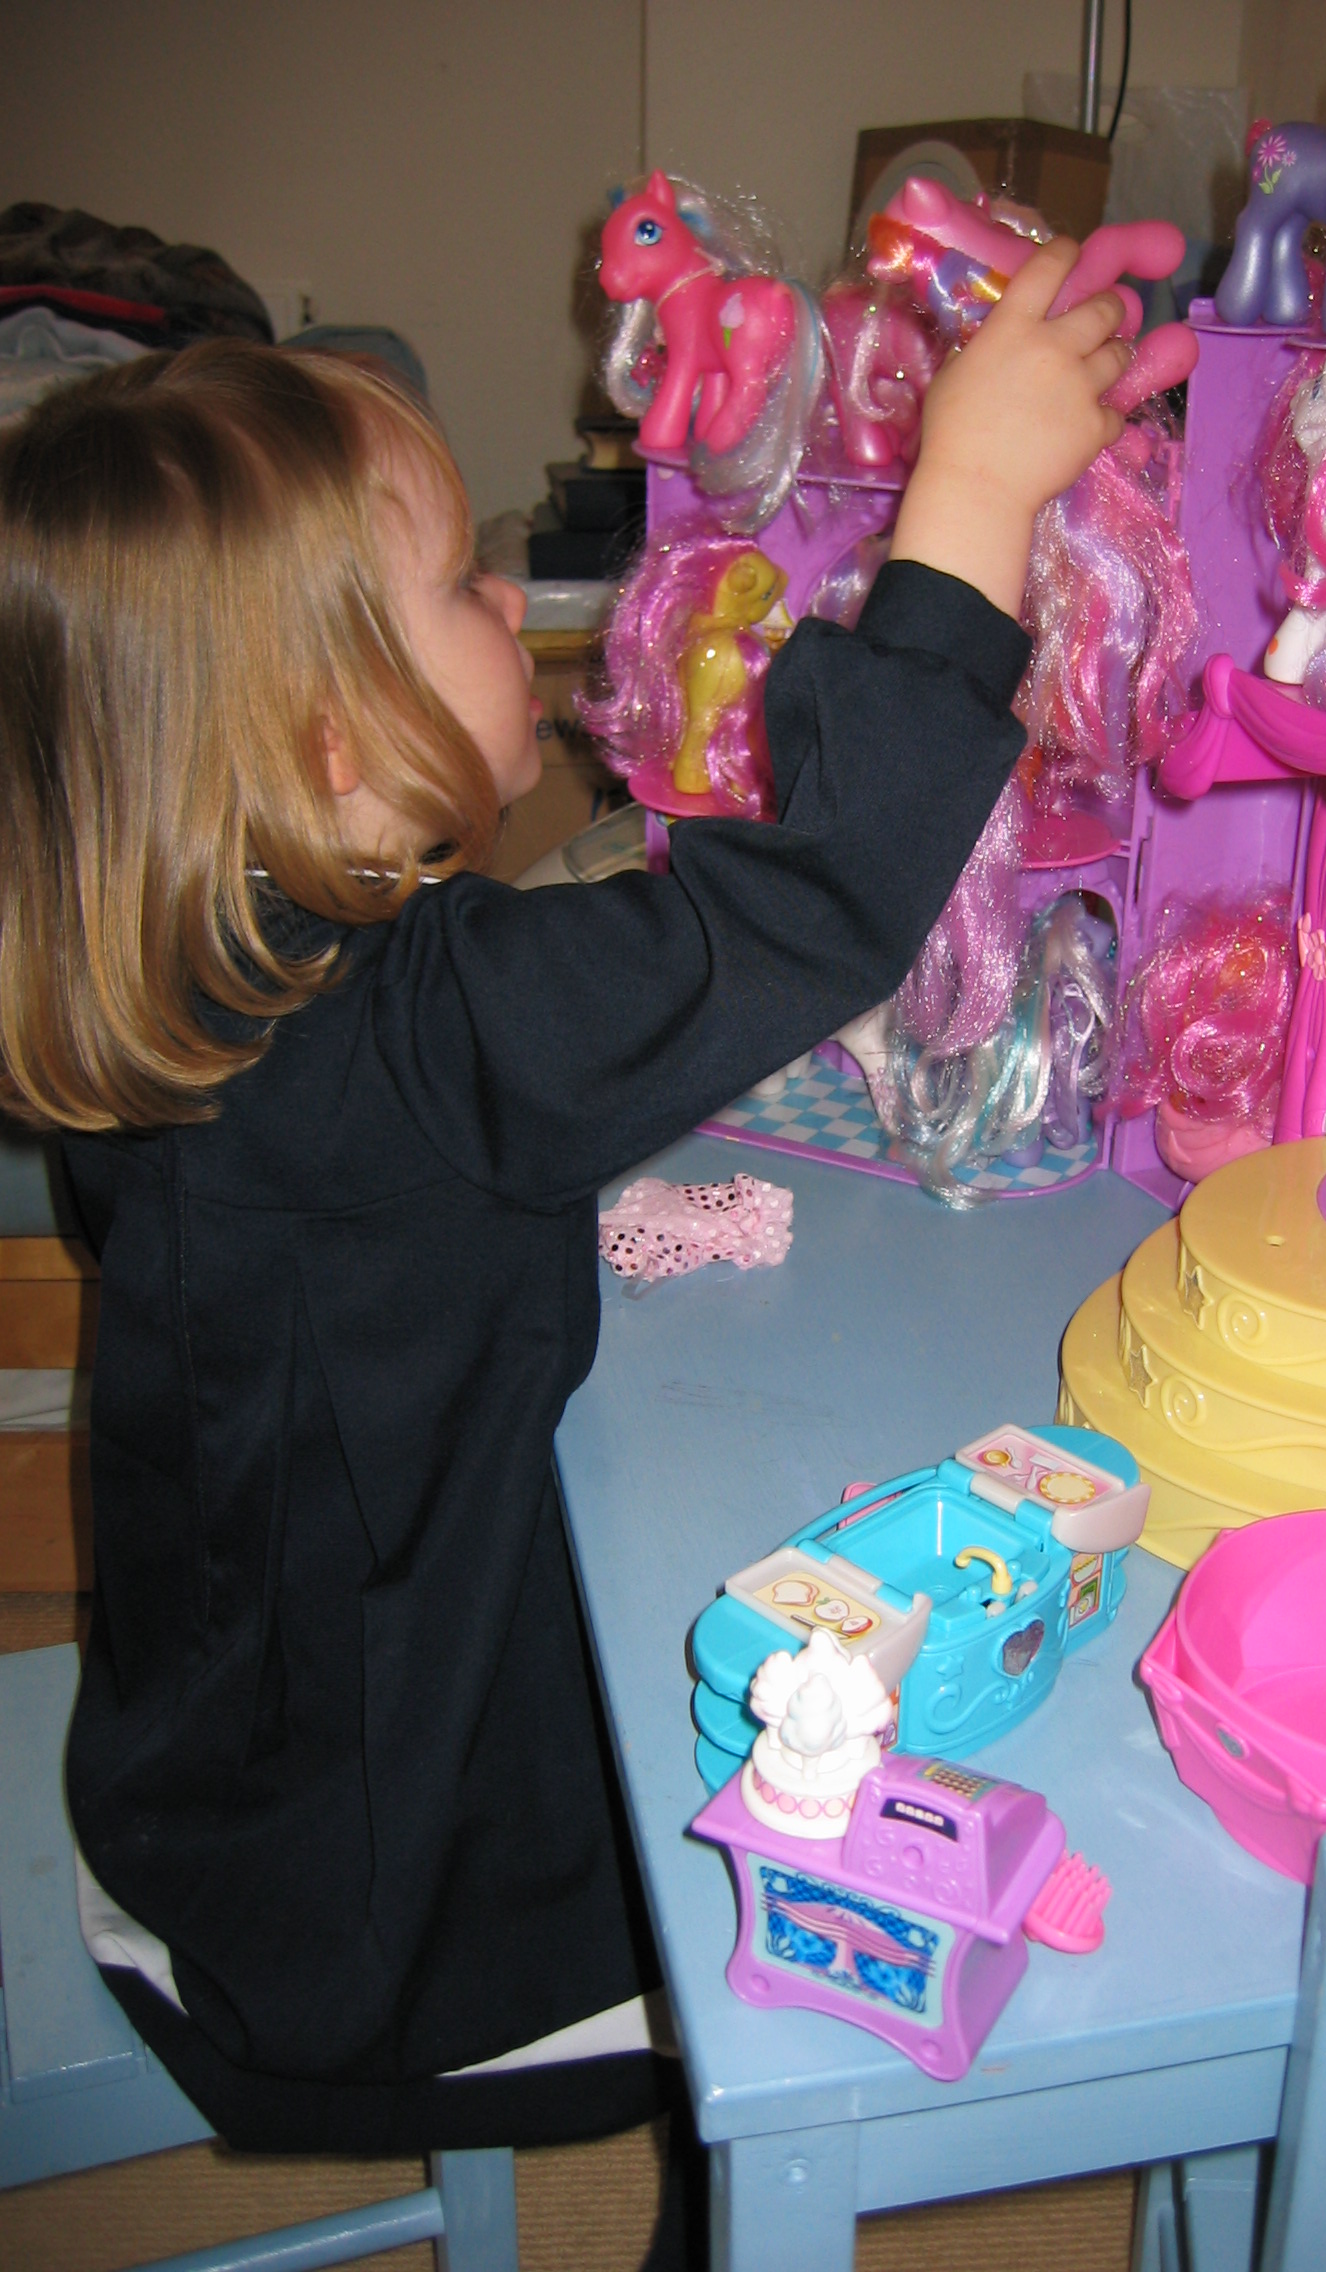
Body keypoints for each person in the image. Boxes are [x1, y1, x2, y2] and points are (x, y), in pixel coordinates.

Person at [0, 237, 1128, 2155]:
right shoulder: (428, 1037)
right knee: (780, 1990)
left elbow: (352, 1254)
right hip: (378, 1942)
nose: (513, 597)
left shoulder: (172, 1004)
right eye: (461, 581)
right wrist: (973, 496)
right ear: (331, 741)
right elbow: (814, 904)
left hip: (206, 1805)